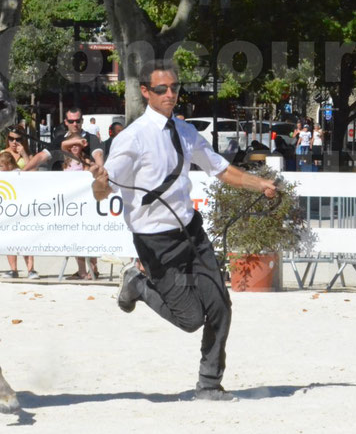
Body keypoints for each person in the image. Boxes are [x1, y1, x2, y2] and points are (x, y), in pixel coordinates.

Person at [89, 59, 276, 401]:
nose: (170, 94)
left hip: (191, 232)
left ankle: (208, 384)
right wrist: (98, 184)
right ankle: (138, 284)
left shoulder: (187, 132)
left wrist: (258, 183)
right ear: (146, 92)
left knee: (221, 305)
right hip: (155, 242)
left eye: (174, 88)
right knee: (190, 319)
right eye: (162, 89)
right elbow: (105, 187)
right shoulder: (132, 139)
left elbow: (221, 169)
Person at [0, 126, 41, 279]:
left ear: (24, 140)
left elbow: (34, 173)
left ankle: (31, 269)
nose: (14, 142)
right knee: (9, 235)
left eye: (18, 139)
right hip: (6, 202)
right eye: (11, 139)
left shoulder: (27, 155)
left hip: (23, 201)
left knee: (26, 236)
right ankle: (13, 269)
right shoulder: (2, 154)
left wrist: (24, 154)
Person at [62, 134, 99, 279]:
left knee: (89, 236)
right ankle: (82, 270)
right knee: (75, 238)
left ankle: (94, 269)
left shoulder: (86, 161)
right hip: (72, 204)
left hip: (86, 203)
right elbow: (64, 145)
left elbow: (94, 171)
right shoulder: (66, 161)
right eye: (72, 145)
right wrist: (76, 141)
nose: (74, 147)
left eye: (77, 144)